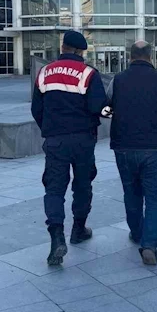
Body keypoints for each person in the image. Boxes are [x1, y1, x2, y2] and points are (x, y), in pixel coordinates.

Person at [31, 30, 107, 266]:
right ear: (80, 51)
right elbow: (98, 107)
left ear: (63, 48)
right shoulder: (88, 73)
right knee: (82, 185)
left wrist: (49, 128)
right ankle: (78, 229)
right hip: (83, 140)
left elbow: (36, 109)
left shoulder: (45, 72)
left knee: (54, 189)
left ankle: (56, 238)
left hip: (55, 140)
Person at [105, 40, 157, 266]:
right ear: (150, 57)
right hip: (156, 147)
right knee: (156, 196)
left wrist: (117, 114)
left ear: (130, 56)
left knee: (131, 192)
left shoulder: (117, 80)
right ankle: (150, 244)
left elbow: (106, 105)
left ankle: (137, 232)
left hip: (124, 146)